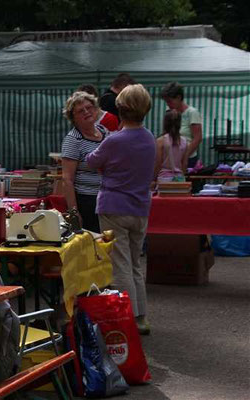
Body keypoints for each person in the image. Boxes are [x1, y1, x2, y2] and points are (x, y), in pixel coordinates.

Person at [86, 84, 156, 335]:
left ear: (120, 108)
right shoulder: (150, 139)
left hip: (114, 207)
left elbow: (91, 161)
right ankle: (141, 317)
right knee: (135, 263)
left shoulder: (113, 140)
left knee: (120, 265)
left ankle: (129, 316)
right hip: (140, 208)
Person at [60, 91, 108, 233]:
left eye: (89, 107)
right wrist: (74, 213)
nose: (87, 112)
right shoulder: (73, 139)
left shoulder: (104, 132)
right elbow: (67, 179)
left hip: (108, 197)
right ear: (73, 117)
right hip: (87, 201)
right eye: (81, 111)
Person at [161, 82, 202, 168]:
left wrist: (184, 156)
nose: (168, 104)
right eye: (166, 102)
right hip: (171, 157)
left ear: (179, 97)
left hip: (188, 158)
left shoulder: (192, 113)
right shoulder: (169, 112)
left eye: (170, 101)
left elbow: (197, 138)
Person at [154, 110, 189, 183]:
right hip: (180, 179)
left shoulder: (160, 141)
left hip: (164, 179)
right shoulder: (185, 141)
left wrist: (153, 178)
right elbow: (184, 164)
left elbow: (158, 164)